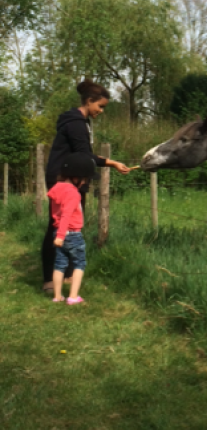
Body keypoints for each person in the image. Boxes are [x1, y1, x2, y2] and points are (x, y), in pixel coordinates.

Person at [41, 78, 130, 292]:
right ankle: (50, 278)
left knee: (71, 225)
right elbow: (85, 155)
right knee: (58, 226)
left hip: (71, 177)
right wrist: (113, 163)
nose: (101, 111)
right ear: (89, 101)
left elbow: (83, 154)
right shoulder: (76, 124)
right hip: (64, 180)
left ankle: (66, 273)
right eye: (100, 106)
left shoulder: (80, 122)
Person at [49, 153, 95, 304]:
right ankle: (73, 297)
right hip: (71, 234)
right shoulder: (73, 193)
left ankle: (57, 296)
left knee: (59, 264)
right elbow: (66, 215)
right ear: (76, 178)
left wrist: (58, 235)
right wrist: (61, 235)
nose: (85, 183)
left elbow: (56, 214)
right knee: (79, 264)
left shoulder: (57, 189)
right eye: (85, 179)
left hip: (58, 232)